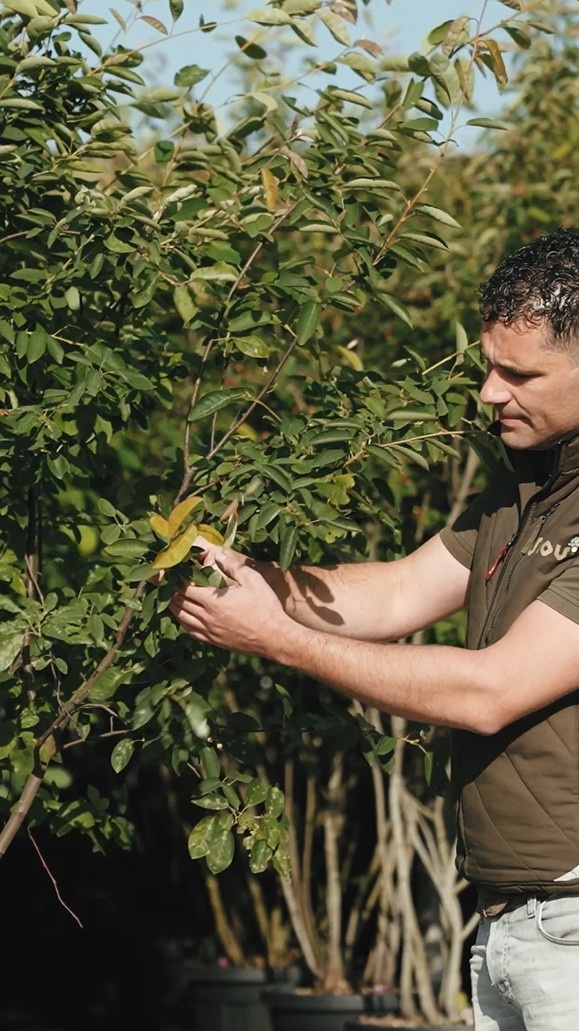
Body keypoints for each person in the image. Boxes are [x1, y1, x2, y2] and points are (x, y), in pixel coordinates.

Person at [169, 228, 579, 1030]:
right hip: (507, 924)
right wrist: (258, 583)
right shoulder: (523, 493)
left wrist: (275, 638)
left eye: (517, 373)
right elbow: (394, 593)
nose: (488, 394)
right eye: (487, 366)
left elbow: (489, 690)